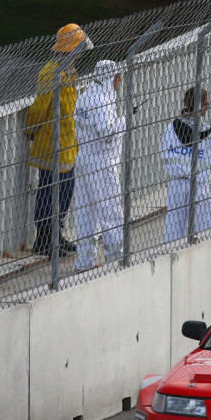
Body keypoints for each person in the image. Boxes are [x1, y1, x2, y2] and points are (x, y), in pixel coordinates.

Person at [25, 23, 92, 257]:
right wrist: (30, 129)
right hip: (51, 144)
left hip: (67, 144)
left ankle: (56, 234)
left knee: (65, 191)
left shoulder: (68, 71)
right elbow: (40, 107)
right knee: (49, 191)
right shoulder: (51, 72)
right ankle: (43, 239)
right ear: (71, 49)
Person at [73, 60, 126, 272]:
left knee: (86, 213)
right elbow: (108, 134)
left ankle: (84, 262)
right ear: (109, 77)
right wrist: (125, 121)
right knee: (110, 211)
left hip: (84, 158)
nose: (118, 83)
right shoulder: (102, 101)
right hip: (102, 162)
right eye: (117, 79)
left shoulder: (85, 96)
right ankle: (116, 258)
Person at [162, 86, 211, 243]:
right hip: (199, 185)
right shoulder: (207, 131)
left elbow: (164, 154)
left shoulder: (170, 128)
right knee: (204, 232)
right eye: (206, 103)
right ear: (203, 106)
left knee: (173, 231)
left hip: (176, 185)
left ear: (184, 102)